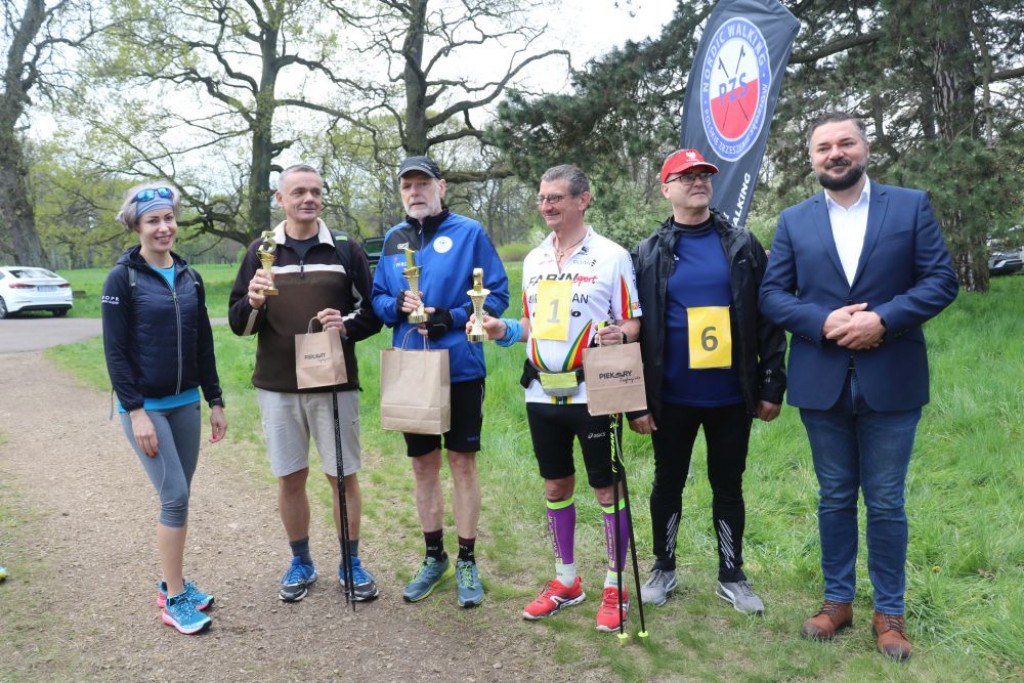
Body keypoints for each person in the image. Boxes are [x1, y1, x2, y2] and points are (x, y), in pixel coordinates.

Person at [759, 111, 958, 660]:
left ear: (865, 147)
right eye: (823, 147)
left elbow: (941, 280)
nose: (835, 153)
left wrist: (884, 320)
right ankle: (837, 602)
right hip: (821, 379)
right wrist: (823, 322)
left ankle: (889, 612)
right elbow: (773, 296)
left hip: (892, 377)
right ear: (811, 158)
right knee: (835, 497)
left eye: (845, 142)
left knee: (888, 501)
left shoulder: (910, 205)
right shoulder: (794, 220)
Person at [474, 164, 642, 632]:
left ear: (583, 199)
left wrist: (617, 333)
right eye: (542, 198)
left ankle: (615, 584)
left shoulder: (612, 256)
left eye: (556, 198)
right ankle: (566, 580)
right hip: (541, 392)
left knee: (606, 489)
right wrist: (502, 328)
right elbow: (529, 324)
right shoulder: (534, 259)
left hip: (594, 390)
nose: (547, 205)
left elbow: (632, 321)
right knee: (555, 487)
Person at [630, 149, 787, 614]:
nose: (697, 181)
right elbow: (634, 326)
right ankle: (664, 565)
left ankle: (731, 574)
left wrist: (771, 383)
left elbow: (769, 317)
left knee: (728, 484)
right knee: (668, 482)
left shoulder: (741, 246)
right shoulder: (647, 252)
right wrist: (637, 399)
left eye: (703, 175)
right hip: (672, 397)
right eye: (685, 176)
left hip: (730, 396)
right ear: (666, 188)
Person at [228, 164, 382, 603]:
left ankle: (351, 562)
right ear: (281, 198)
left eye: (315, 191)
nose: (308, 199)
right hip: (277, 386)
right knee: (290, 476)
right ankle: (301, 561)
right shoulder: (262, 250)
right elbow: (240, 323)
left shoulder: (346, 250)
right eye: (298, 192)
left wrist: (345, 323)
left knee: (342, 476)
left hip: (334, 384)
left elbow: (372, 313)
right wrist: (254, 301)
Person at [371, 155, 509, 607]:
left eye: (423, 184)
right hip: (413, 368)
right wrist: (398, 306)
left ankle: (468, 559)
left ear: (441, 186)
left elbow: (500, 294)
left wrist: (450, 315)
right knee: (422, 466)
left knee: (463, 465)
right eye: (407, 186)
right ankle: (435, 557)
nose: (415, 192)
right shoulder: (393, 240)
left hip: (461, 366)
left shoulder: (469, 233)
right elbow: (376, 298)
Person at [102, 182, 227, 635]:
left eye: (168, 218)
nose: (164, 227)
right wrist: (135, 412)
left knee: (180, 495)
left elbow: (204, 344)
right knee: (173, 496)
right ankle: (174, 599)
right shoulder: (123, 278)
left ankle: (170, 582)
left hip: (186, 405)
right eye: (152, 220)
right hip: (147, 408)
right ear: (136, 226)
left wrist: (215, 400)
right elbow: (115, 352)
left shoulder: (190, 276)